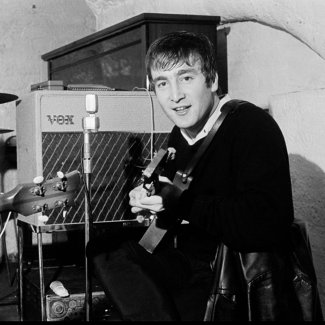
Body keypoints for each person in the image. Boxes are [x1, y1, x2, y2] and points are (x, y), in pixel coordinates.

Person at [87, 31, 297, 321]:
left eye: (186, 78)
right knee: (105, 247)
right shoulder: (181, 133)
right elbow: (181, 211)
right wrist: (153, 200)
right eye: (163, 83)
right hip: (191, 262)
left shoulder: (250, 125)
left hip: (236, 275)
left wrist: (179, 202)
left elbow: (265, 225)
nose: (175, 96)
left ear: (212, 80)